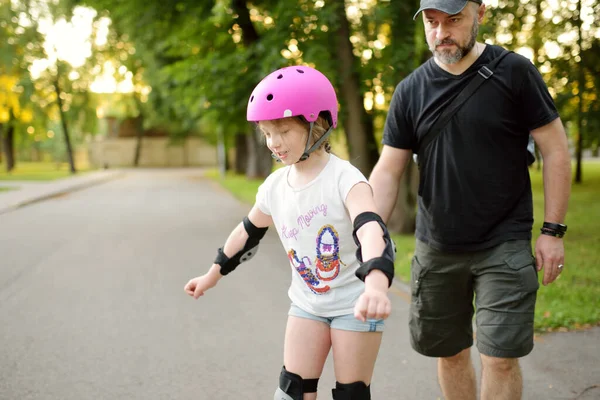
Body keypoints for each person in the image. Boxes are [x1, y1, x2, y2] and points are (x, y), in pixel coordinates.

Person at [368, 1, 571, 400]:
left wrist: (553, 230)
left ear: (479, 14)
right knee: (450, 353)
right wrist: (369, 241)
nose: (441, 31)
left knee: (499, 357)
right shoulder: (410, 90)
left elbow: (556, 149)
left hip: (505, 242)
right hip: (438, 246)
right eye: (432, 22)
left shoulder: (514, 72)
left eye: (454, 20)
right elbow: (388, 172)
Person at [184, 65, 396, 400]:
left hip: (356, 304)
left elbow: (372, 232)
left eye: (282, 130)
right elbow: (247, 232)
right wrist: (212, 274)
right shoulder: (275, 186)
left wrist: (376, 287)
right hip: (307, 305)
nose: (273, 143)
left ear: (317, 124)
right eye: (267, 133)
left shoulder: (346, 179)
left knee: (351, 394)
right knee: (291, 392)